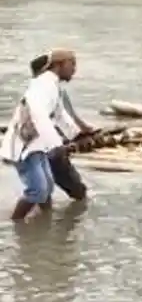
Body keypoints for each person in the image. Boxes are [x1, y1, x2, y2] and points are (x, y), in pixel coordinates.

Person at [1, 49, 77, 221]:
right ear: (59, 65)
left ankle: (44, 223)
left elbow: (60, 114)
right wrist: (56, 145)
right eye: (72, 63)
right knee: (38, 189)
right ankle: (16, 224)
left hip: (38, 143)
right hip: (24, 144)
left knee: (48, 186)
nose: (74, 69)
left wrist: (76, 134)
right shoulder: (43, 85)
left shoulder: (52, 85)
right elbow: (37, 113)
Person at [28, 52, 92, 202]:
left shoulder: (41, 88)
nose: (74, 69)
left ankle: (41, 222)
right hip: (49, 145)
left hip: (42, 145)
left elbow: (66, 117)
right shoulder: (49, 89)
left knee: (43, 192)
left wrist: (81, 132)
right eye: (72, 64)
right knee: (76, 190)